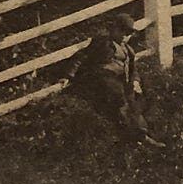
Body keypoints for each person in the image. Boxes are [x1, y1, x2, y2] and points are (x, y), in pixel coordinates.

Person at [69, 11, 163, 149]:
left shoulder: (128, 50)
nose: (125, 36)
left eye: (129, 33)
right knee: (120, 99)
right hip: (102, 79)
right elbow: (81, 56)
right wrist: (68, 75)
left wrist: (136, 82)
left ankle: (142, 134)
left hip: (121, 80)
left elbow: (133, 69)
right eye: (122, 31)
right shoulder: (102, 43)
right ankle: (133, 137)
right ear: (114, 29)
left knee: (136, 100)